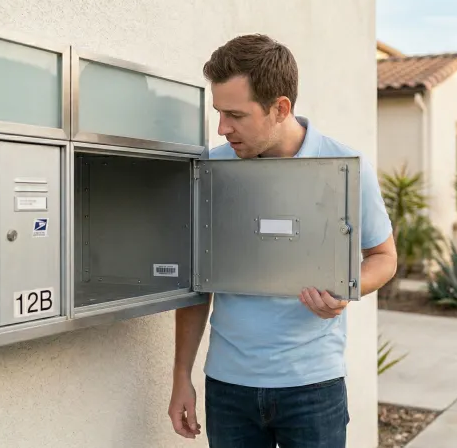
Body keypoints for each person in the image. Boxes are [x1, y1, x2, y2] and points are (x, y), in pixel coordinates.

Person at [167, 33, 398, 448]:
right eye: (219, 113)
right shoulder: (210, 170)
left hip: (313, 388)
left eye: (236, 115)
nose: (223, 128)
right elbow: (198, 285)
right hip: (228, 388)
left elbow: (383, 256)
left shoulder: (345, 167)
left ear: (281, 108)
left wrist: (348, 289)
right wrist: (182, 377)